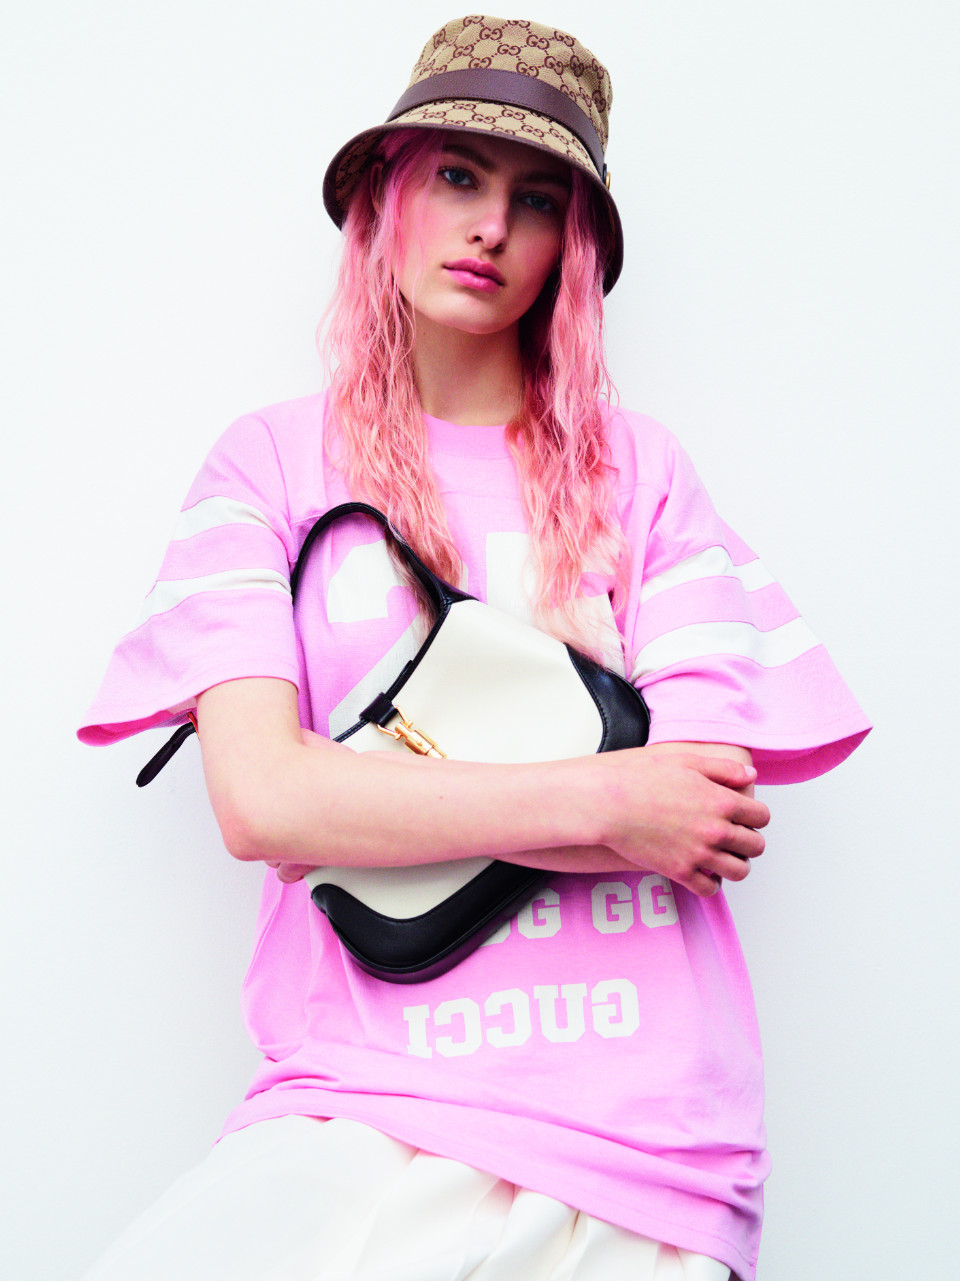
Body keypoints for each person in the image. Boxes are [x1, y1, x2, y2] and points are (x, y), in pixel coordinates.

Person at [77, 16, 870, 1281]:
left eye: (536, 199)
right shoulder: (269, 463)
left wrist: (366, 802)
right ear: (386, 196)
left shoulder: (640, 473)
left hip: (642, 1142)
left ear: (571, 246)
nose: (492, 226)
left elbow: (696, 814)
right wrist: (606, 797)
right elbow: (262, 802)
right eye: (458, 176)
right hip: (357, 1096)